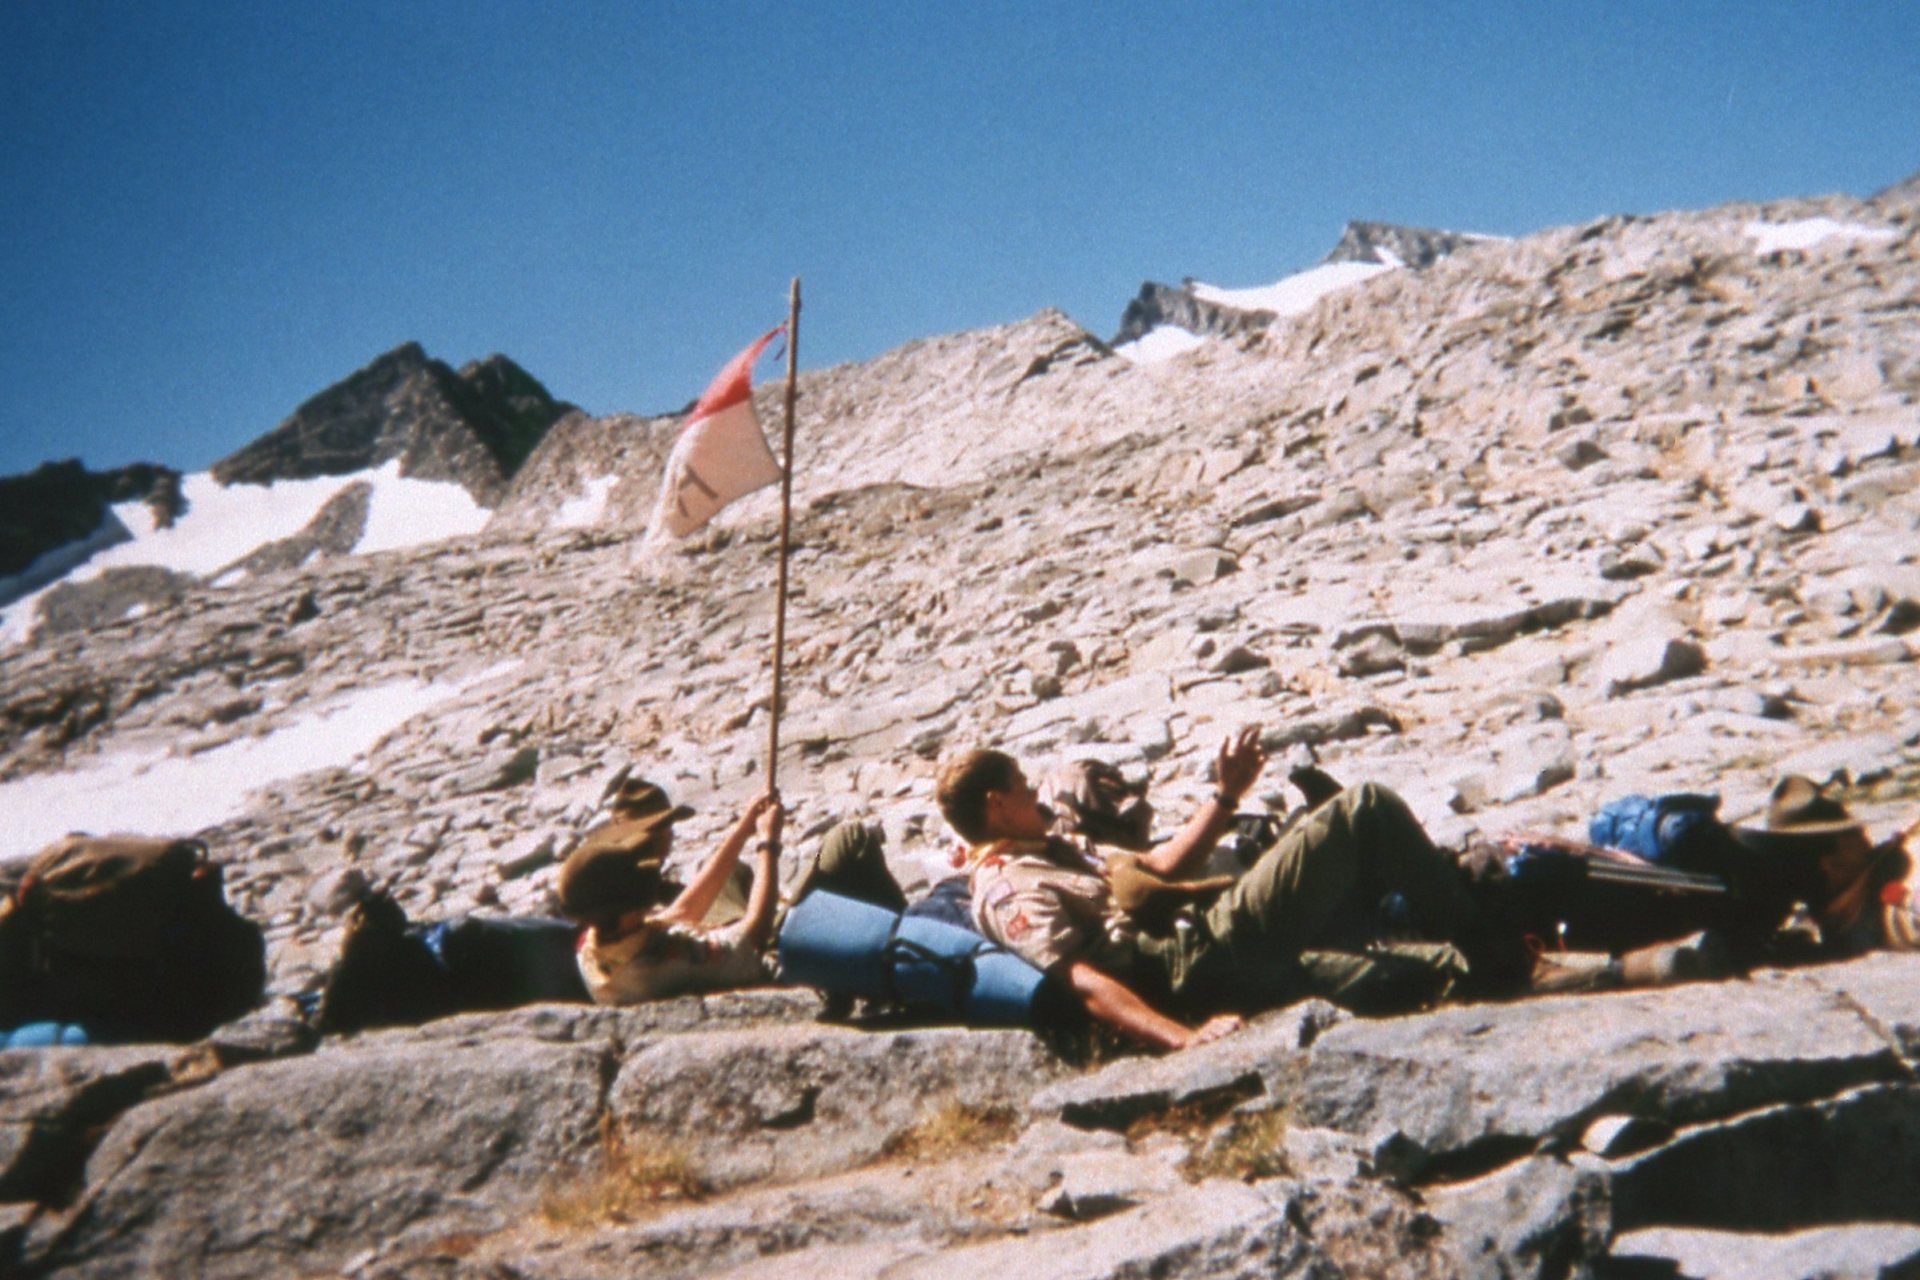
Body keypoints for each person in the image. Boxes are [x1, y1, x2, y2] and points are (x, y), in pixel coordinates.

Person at [939, 728, 1484, 1052]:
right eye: (1022, 786)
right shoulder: (1008, 885)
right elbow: (1081, 981)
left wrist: (1227, 795)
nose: (1035, 794)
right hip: (1189, 964)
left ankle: (1493, 960)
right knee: (1363, 808)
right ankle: (1493, 943)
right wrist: (1182, 1037)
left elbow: (1160, 865)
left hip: (1212, 953)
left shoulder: (1049, 846)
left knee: (1434, 972)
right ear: (996, 804)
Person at [557, 781, 786, 1004]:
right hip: (764, 973)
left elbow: (679, 914)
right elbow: (754, 932)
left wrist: (744, 829)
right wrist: (768, 843)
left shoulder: (593, 946)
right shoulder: (659, 964)